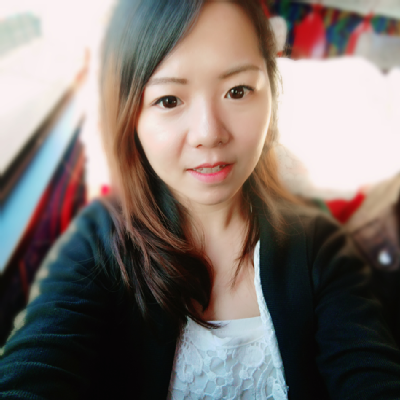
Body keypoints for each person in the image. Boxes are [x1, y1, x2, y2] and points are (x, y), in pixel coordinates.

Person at [1, 1, 400, 399]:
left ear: (271, 95)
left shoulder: (317, 246)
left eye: (237, 91)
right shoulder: (100, 243)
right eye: (169, 100)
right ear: (131, 114)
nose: (209, 133)